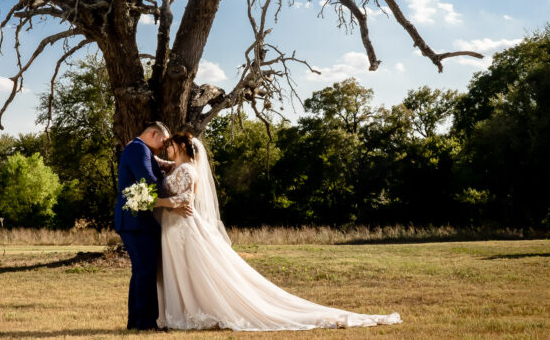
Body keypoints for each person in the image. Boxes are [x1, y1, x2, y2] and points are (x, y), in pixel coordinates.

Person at [155, 132, 402, 331]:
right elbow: (164, 169)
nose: (167, 148)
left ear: (181, 147)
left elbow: (185, 200)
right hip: (175, 229)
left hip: (184, 227)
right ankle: (189, 309)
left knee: (197, 271)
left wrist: (153, 202)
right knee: (186, 271)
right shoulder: (177, 167)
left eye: (171, 145)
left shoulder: (187, 170)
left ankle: (199, 311)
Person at [114, 121, 193, 331]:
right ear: (153, 133)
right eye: (163, 140)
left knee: (142, 270)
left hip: (140, 221)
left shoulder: (143, 150)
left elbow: (162, 169)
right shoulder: (138, 148)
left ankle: (136, 321)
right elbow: (149, 180)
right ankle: (146, 323)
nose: (163, 145)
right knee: (146, 270)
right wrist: (172, 204)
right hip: (135, 221)